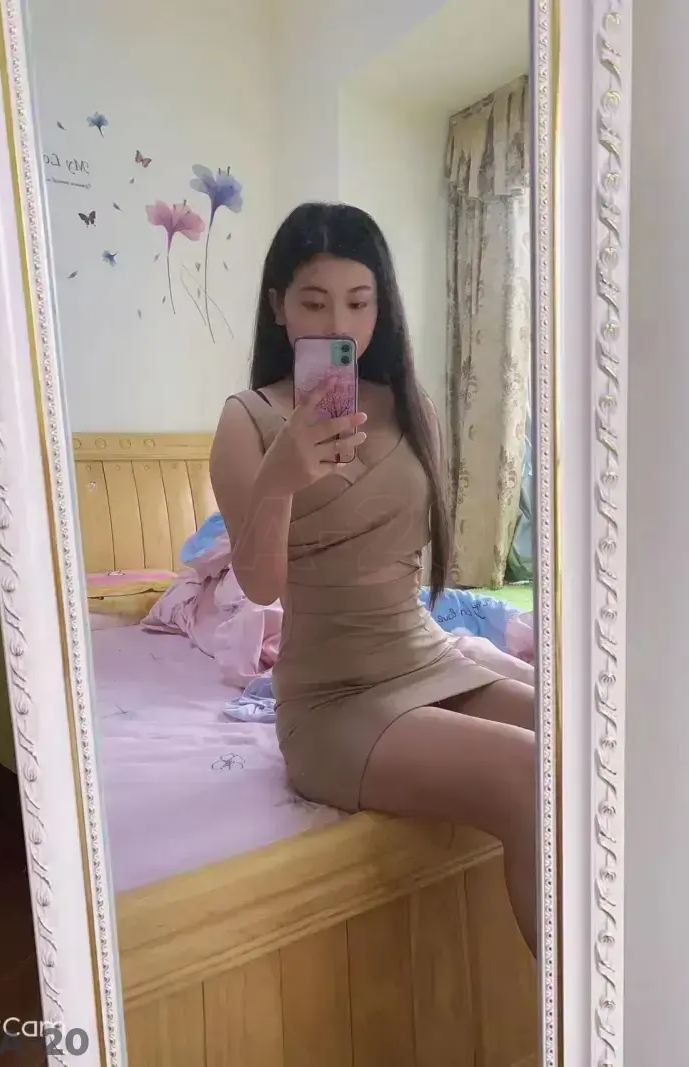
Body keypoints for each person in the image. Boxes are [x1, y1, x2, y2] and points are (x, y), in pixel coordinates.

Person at [209, 202, 536, 956]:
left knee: (589, 741)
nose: (339, 325)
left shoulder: (409, 405)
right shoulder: (247, 420)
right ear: (279, 307)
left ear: (381, 306)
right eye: (314, 302)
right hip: (335, 699)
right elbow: (260, 587)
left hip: (427, 656)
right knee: (529, 775)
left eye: (359, 303)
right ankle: (586, 1011)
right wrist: (281, 478)